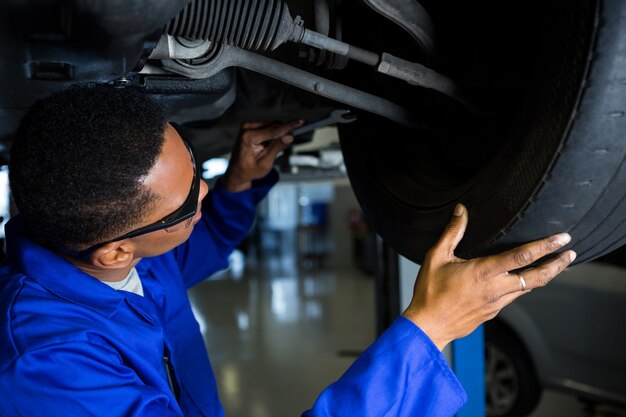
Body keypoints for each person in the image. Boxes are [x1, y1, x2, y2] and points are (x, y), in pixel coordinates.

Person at [0, 84, 575, 417]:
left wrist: (239, 184)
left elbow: (183, 256)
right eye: (184, 204)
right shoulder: (48, 370)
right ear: (115, 251)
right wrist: (430, 330)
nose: (203, 190)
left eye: (197, 167)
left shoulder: (101, 258)